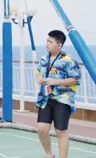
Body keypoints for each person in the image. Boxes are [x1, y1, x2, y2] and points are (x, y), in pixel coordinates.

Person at [35, 30, 81, 158]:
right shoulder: (44, 59)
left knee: (60, 131)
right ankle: (49, 154)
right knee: (41, 129)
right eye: (47, 41)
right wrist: (39, 79)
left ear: (59, 45)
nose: (47, 44)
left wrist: (56, 81)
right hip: (45, 98)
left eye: (50, 42)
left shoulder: (69, 60)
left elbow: (75, 79)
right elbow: (38, 72)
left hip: (63, 99)